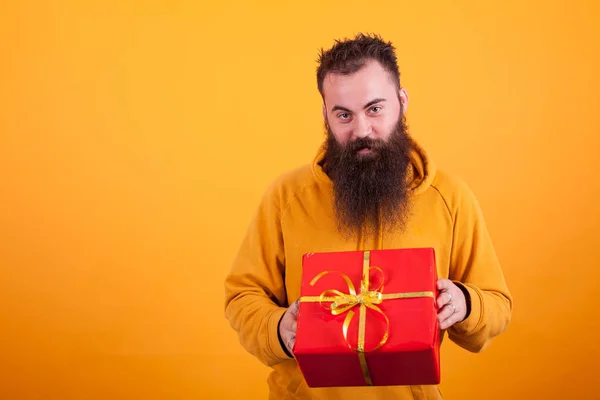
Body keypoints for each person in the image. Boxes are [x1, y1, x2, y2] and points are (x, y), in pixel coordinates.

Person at [223, 33, 513, 400]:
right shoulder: (286, 197)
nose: (361, 130)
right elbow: (242, 295)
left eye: (375, 109)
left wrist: (467, 303)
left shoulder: (451, 198)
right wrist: (278, 327)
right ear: (326, 117)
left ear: (402, 102)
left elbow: (498, 304)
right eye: (343, 115)